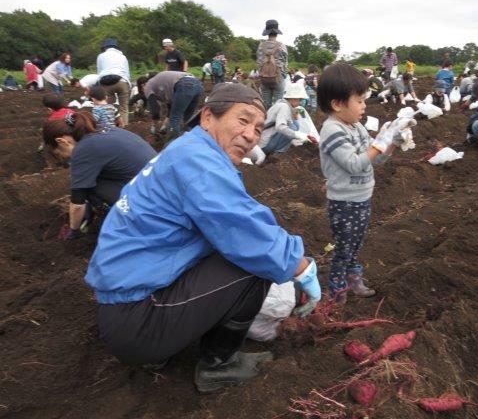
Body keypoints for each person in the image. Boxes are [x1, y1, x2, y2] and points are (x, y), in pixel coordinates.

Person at [83, 83, 321, 393]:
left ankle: (169, 345)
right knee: (255, 263)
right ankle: (217, 365)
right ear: (208, 117)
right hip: (138, 321)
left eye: (258, 128)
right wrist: (303, 268)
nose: (251, 135)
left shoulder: (188, 150)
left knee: (241, 250)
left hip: (127, 309)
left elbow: (233, 219)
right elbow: (249, 236)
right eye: (243, 120)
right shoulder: (200, 163)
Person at [318, 63, 415, 303]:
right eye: (359, 101)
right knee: (343, 247)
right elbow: (354, 164)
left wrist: (392, 143)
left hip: (362, 198)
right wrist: (380, 142)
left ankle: (354, 280)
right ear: (338, 104)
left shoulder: (357, 127)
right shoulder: (332, 130)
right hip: (344, 202)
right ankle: (337, 292)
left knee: (356, 244)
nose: (364, 106)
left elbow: (375, 159)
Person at [42, 110, 155, 240]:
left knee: (87, 187)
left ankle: (122, 221)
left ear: (61, 141)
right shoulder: (102, 130)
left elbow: (77, 204)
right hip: (157, 184)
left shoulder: (83, 149)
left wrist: (74, 231)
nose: (63, 157)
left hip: (148, 198)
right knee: (89, 181)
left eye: (58, 153)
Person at [256, 81, 314, 158]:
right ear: (293, 98)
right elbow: (280, 127)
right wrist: (297, 135)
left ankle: (278, 149)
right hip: (264, 146)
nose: (300, 102)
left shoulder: (282, 104)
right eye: (299, 100)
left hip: (262, 143)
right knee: (293, 127)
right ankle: (278, 152)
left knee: (294, 125)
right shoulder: (284, 107)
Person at [144, 71, 205, 140]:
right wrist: (164, 125)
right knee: (189, 118)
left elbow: (155, 110)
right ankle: (192, 140)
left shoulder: (148, 85)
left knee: (175, 118)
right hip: (198, 84)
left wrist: (154, 126)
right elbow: (171, 107)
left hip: (185, 84)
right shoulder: (164, 83)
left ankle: (172, 142)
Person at [96, 38, 132, 126]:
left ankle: (110, 127)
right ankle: (124, 127)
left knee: (109, 107)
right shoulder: (123, 57)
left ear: (105, 47)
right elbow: (127, 73)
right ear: (116, 47)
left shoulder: (101, 56)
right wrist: (129, 86)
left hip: (106, 83)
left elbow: (99, 72)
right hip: (122, 81)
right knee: (124, 107)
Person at [256, 19, 288, 108]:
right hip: (278, 77)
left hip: (264, 78)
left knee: (266, 104)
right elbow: (285, 63)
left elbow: (259, 62)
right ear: (277, 33)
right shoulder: (282, 46)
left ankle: (266, 116)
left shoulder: (261, 46)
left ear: (267, 32)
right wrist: (283, 75)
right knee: (278, 104)